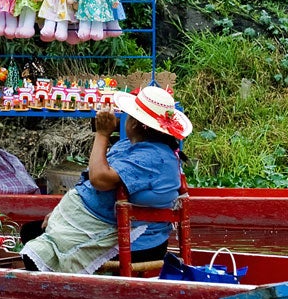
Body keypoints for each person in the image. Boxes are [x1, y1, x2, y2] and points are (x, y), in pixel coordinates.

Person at [21, 85, 192, 274]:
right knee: (31, 231)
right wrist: (59, 214)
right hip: (104, 225)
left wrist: (102, 134)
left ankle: (68, 296)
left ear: (134, 124)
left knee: (34, 251)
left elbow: (98, 179)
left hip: (134, 241)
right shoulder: (133, 146)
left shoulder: (154, 156)